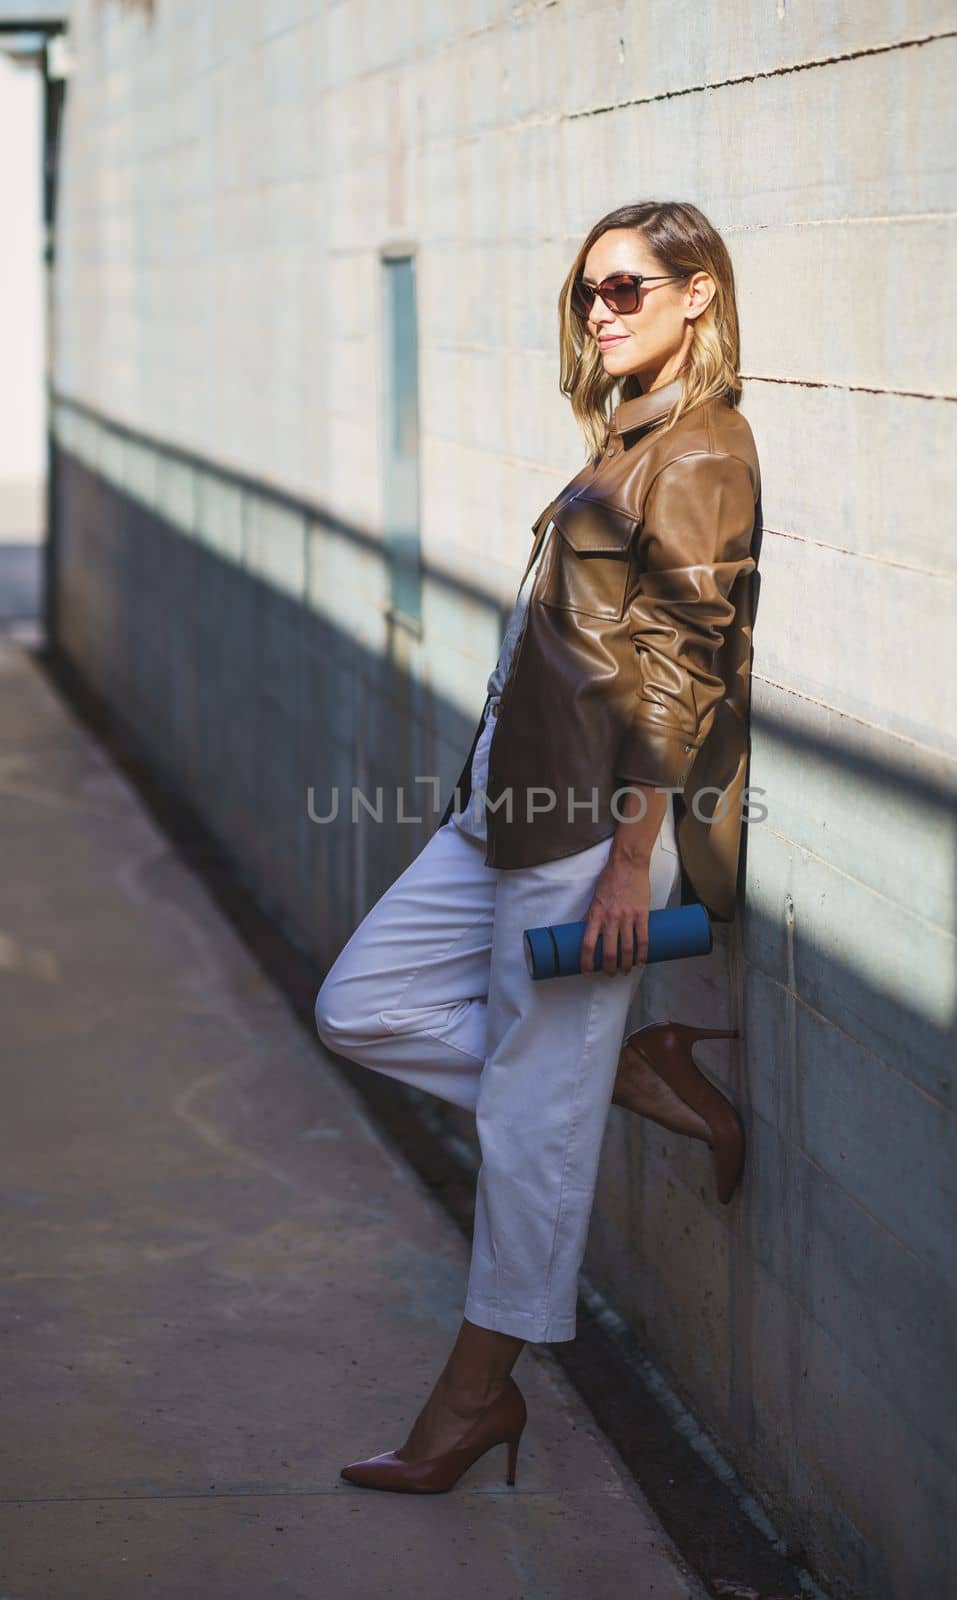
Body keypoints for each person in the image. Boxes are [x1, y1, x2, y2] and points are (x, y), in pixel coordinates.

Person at [314, 198, 761, 1494]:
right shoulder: (625, 439)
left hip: (588, 837)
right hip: (506, 810)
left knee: (531, 1142)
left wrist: (632, 860)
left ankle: (470, 1405)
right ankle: (625, 1074)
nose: (603, 311)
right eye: (588, 294)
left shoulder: (705, 453)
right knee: (363, 1005)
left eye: (628, 289)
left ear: (698, 298)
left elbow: (682, 667)